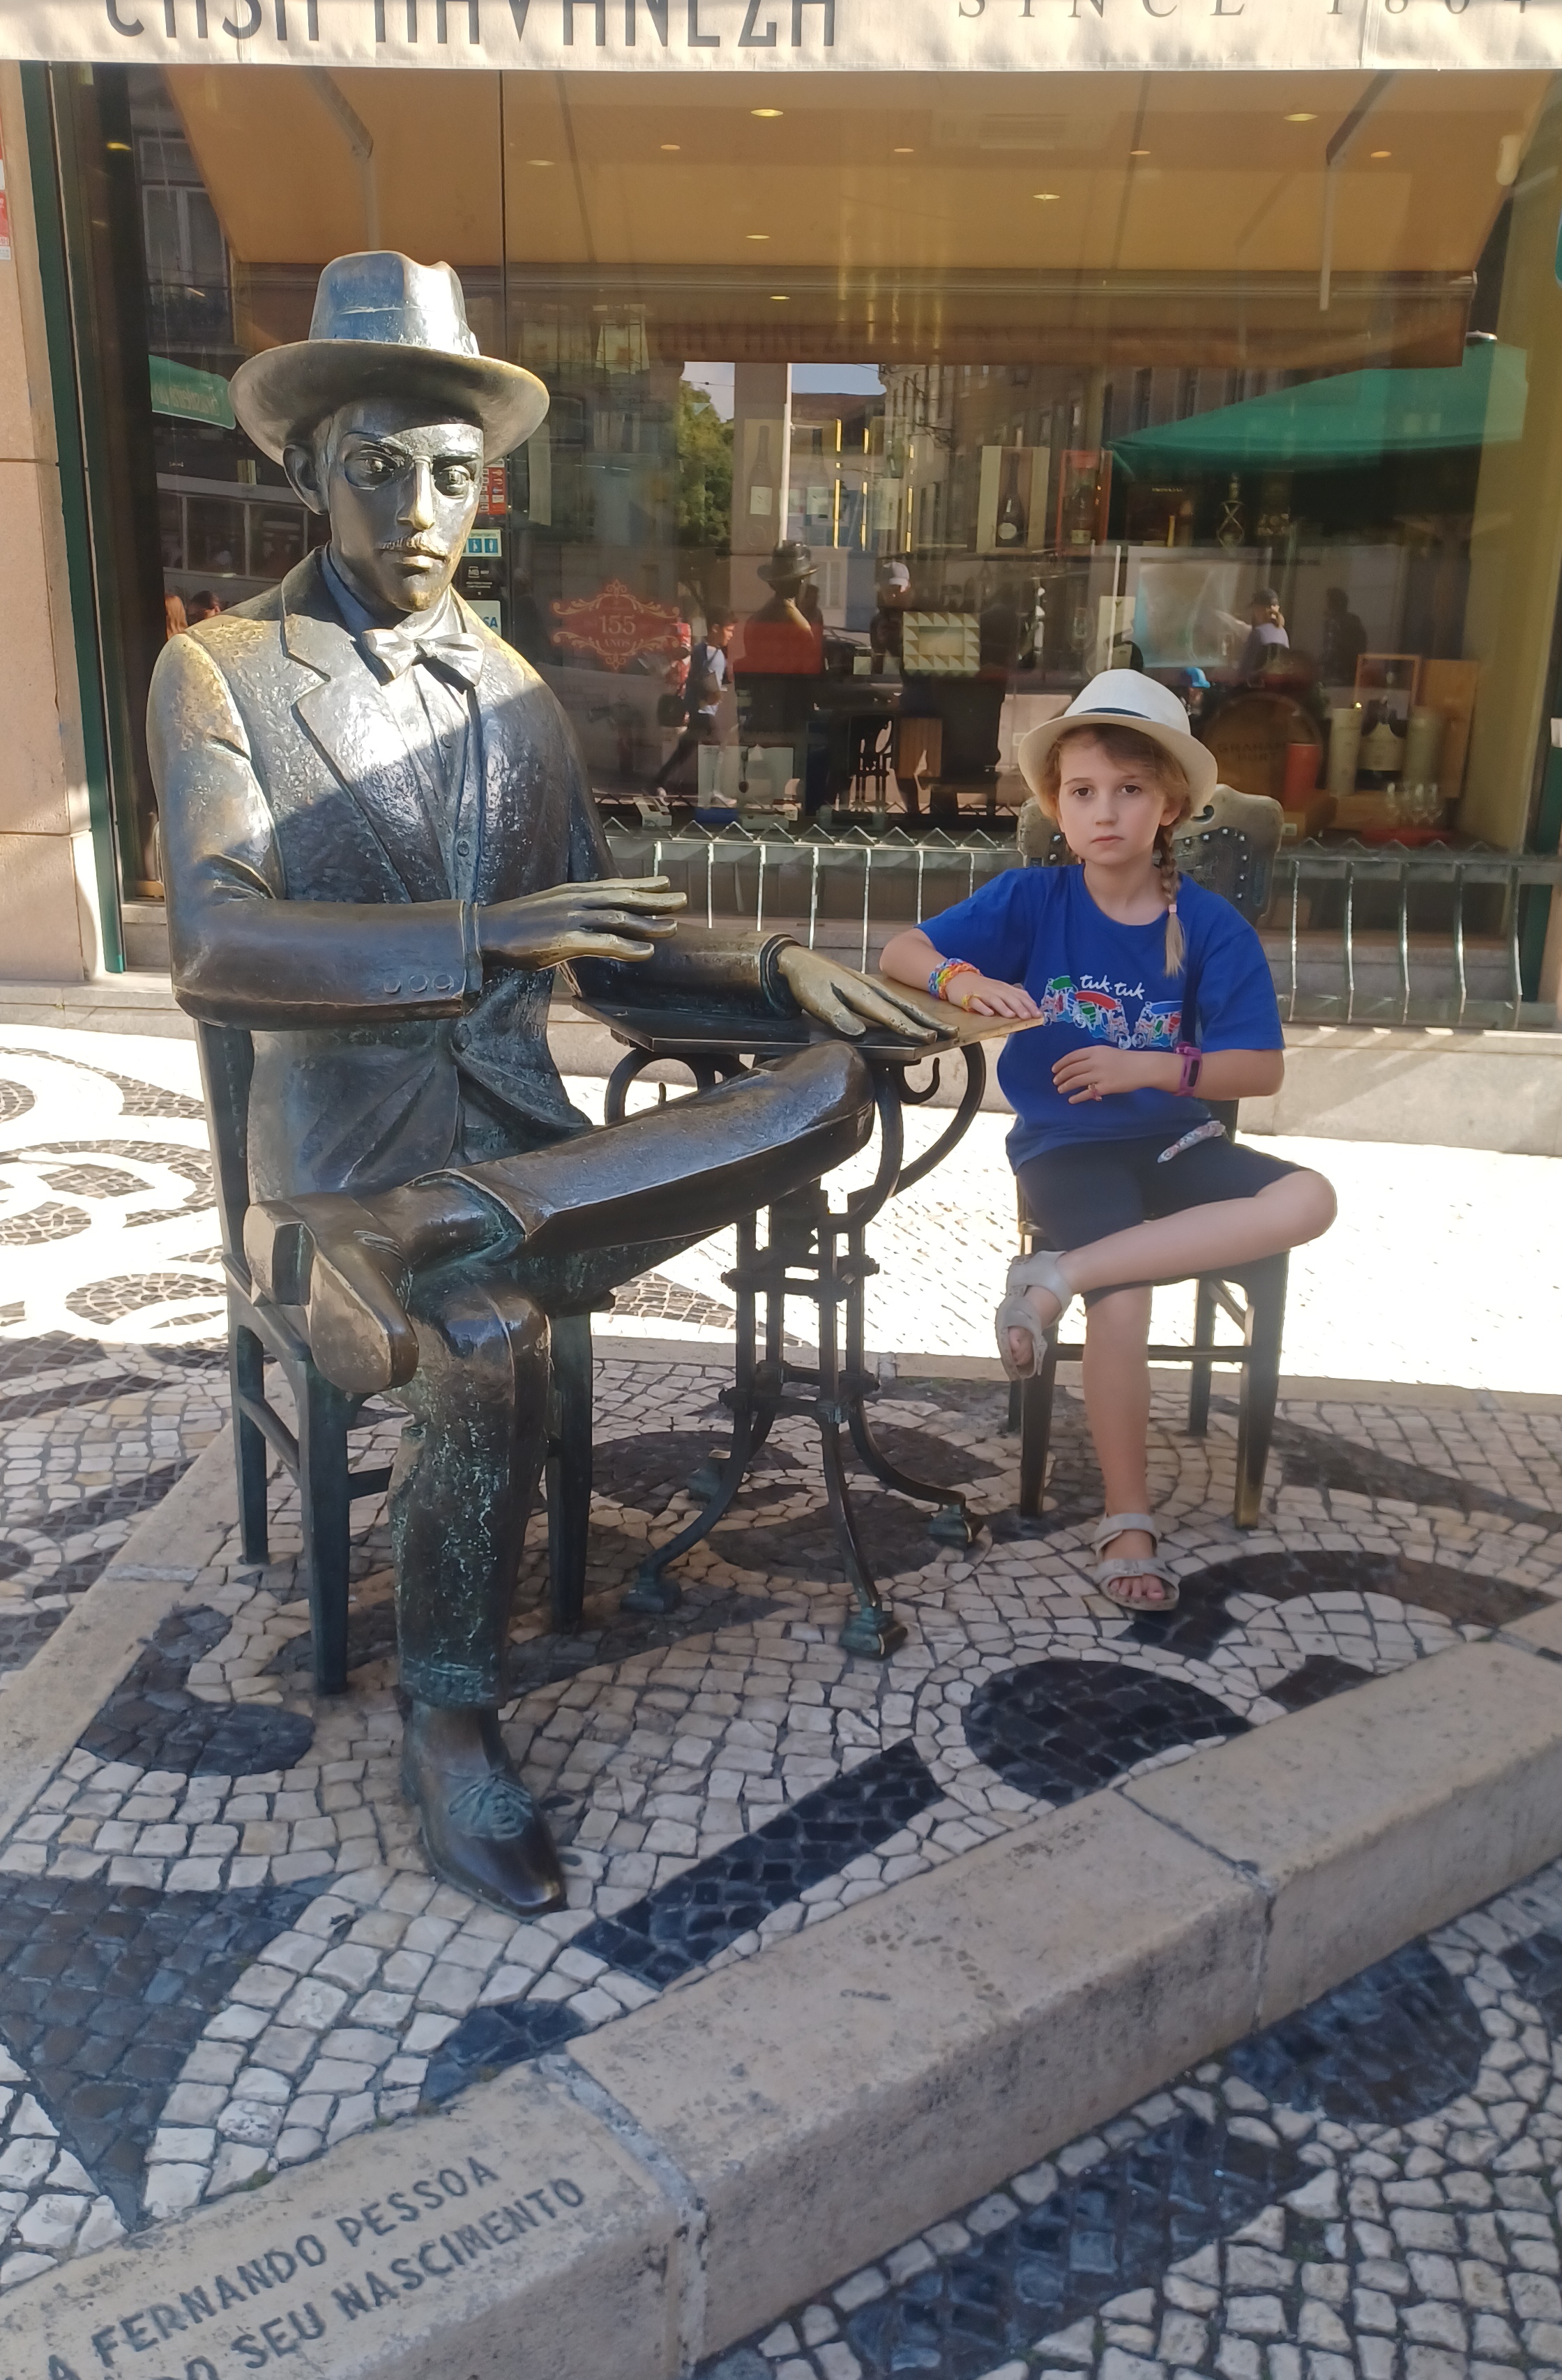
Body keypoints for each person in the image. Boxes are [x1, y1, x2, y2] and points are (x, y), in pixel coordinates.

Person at [149, 251, 941, 1918]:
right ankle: (452, 1715)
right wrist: (472, 930)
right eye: (379, 466)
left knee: (824, 1078)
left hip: (519, 1159)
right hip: (331, 1190)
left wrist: (768, 969)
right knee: (485, 1327)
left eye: (451, 473)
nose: (419, 505)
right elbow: (219, 945)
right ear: (310, 468)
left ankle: (503, 1210)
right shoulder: (220, 670)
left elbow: (596, 943)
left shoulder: (516, 697)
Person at [878, 670, 1335, 1612]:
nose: (1105, 811)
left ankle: (1059, 1277)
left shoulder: (1206, 927)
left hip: (1180, 1143)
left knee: (1310, 1197)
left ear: (1171, 804)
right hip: (1069, 1153)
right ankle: (1128, 1518)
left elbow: (1259, 1070)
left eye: (1130, 790)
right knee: (1125, 1308)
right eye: (1083, 792)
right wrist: (967, 984)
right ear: (1057, 804)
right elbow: (902, 953)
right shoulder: (1032, 902)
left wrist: (1150, 1069)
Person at [653, 608, 736, 796]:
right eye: (729, 631)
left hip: (706, 708)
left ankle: (659, 781)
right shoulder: (704, 652)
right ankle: (712, 790)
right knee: (716, 744)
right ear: (715, 629)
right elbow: (699, 680)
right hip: (702, 710)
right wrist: (708, 698)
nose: (731, 636)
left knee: (686, 749)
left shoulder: (716, 654)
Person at [1234, 589, 1289, 683]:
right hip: (1277, 689)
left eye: (1255, 609)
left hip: (1256, 690)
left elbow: (1245, 672)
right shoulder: (1282, 633)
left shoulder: (1258, 634)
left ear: (1260, 610)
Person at [1319, 586, 1367, 686]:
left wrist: (1316, 667)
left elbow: (1330, 652)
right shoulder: (1354, 622)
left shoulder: (1333, 622)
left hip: (1334, 676)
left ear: (1331, 604)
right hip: (1352, 676)